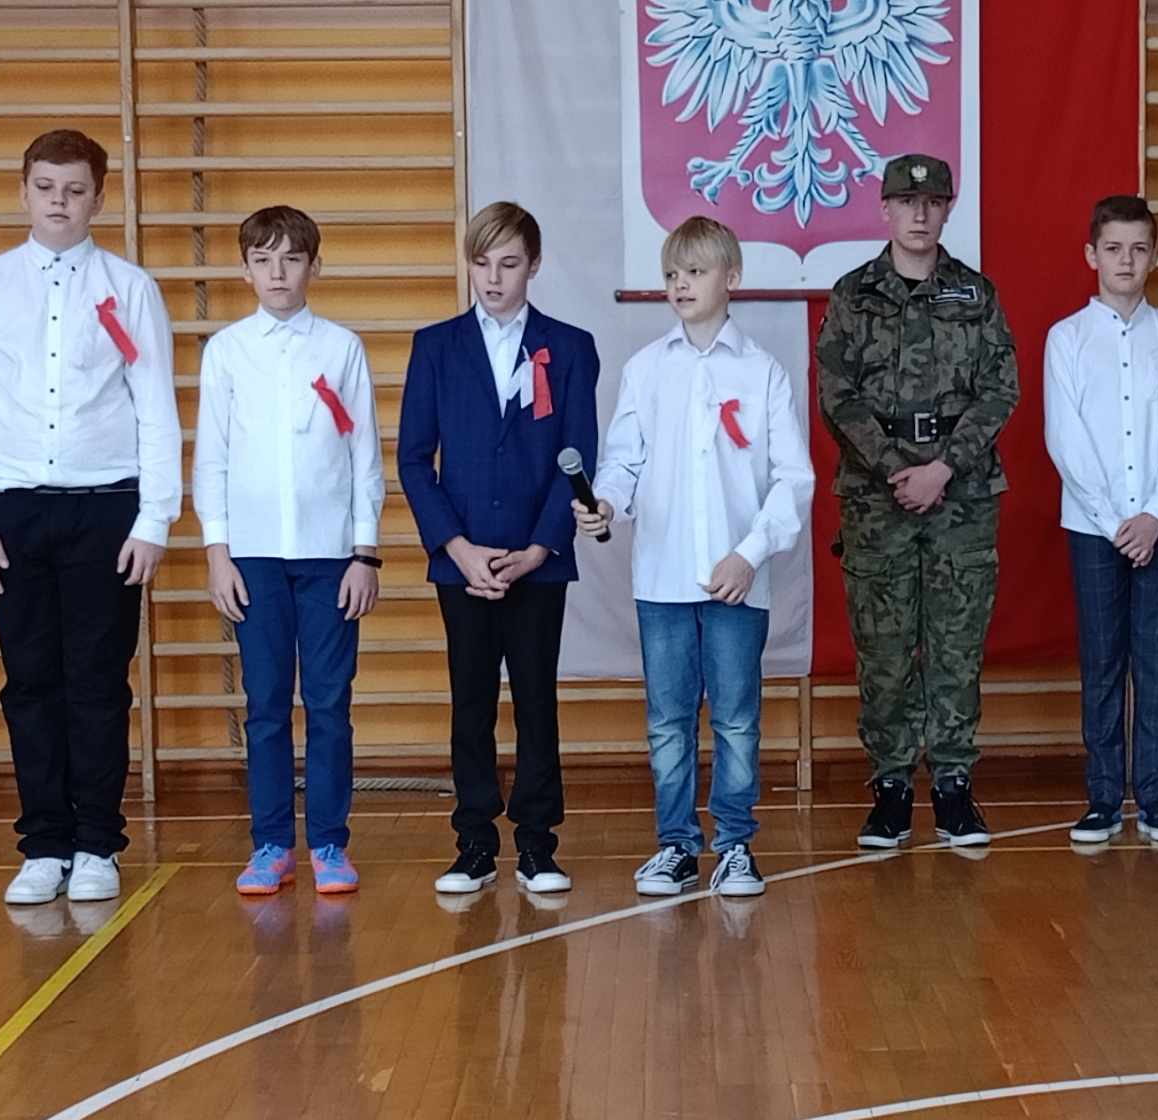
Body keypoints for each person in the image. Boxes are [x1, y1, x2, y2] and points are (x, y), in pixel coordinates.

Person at [0, 128, 179, 906]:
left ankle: (96, 842)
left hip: (107, 507)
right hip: (12, 510)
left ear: (99, 199)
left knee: (99, 681)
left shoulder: (131, 288)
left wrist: (155, 517)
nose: (59, 203)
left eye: (75, 190)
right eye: (45, 187)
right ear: (23, 192)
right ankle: (44, 844)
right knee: (30, 681)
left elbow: (154, 403)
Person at [575, 216, 814, 897]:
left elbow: (793, 480)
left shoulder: (762, 372)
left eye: (696, 272)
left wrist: (748, 555)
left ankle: (735, 844)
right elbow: (623, 463)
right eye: (672, 275)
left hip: (739, 582)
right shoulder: (647, 369)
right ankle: (676, 845)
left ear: (731, 278)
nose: (681, 285)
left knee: (737, 719)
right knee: (668, 722)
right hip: (662, 579)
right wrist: (606, 504)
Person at [815, 153, 1020, 850]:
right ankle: (892, 787)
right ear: (885, 209)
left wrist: (943, 468)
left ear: (948, 208)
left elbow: (1001, 389)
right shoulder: (854, 295)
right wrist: (898, 469)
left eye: (932, 202)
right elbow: (836, 395)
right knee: (884, 648)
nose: (920, 214)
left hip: (961, 495)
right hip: (878, 499)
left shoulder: (976, 293)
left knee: (956, 645)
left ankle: (955, 784)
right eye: (907, 202)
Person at [398, 201, 597, 898]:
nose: (492, 277)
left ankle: (538, 843)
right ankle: (475, 843)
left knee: (537, 700)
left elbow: (577, 456)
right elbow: (414, 459)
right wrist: (456, 547)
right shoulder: (436, 346)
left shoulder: (570, 347)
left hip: (538, 565)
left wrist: (541, 548)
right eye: (481, 263)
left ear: (534, 266)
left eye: (508, 263)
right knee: (471, 701)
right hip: (463, 563)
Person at [196, 206, 384, 897]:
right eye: (263, 259)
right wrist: (218, 552)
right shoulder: (226, 351)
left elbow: (364, 455)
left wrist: (365, 553)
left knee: (330, 704)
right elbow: (211, 458)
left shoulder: (342, 348)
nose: (278, 273)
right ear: (245, 270)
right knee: (266, 705)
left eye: (292, 259)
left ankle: (329, 842)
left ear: (315, 267)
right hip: (253, 558)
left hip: (331, 558)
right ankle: (271, 843)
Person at [1043, 194, 1158, 846]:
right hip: (1095, 528)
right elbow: (1066, 438)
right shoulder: (1067, 338)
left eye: (1139, 249)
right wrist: (1117, 520)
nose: (1126, 261)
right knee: (1103, 660)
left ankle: (1157, 797)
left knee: (1157, 658)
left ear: (1154, 256)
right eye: (1113, 248)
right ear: (1092, 255)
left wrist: (1154, 514)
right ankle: (1104, 798)